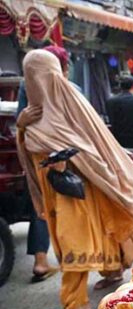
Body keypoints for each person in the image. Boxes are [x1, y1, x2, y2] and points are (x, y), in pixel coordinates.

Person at [16, 50, 133, 309]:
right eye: (30, 76)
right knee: (100, 228)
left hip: (84, 185)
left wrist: (69, 158)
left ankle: (75, 303)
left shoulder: (71, 101)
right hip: (59, 189)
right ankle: (112, 271)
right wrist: (23, 127)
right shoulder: (30, 113)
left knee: (75, 242)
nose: (36, 82)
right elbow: (30, 151)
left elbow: (89, 143)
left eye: (38, 75)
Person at [16, 45, 78, 283]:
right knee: (69, 213)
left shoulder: (27, 86)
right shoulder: (70, 88)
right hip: (64, 160)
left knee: (43, 209)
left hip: (40, 158)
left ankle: (42, 260)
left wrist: (23, 124)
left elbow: (22, 122)